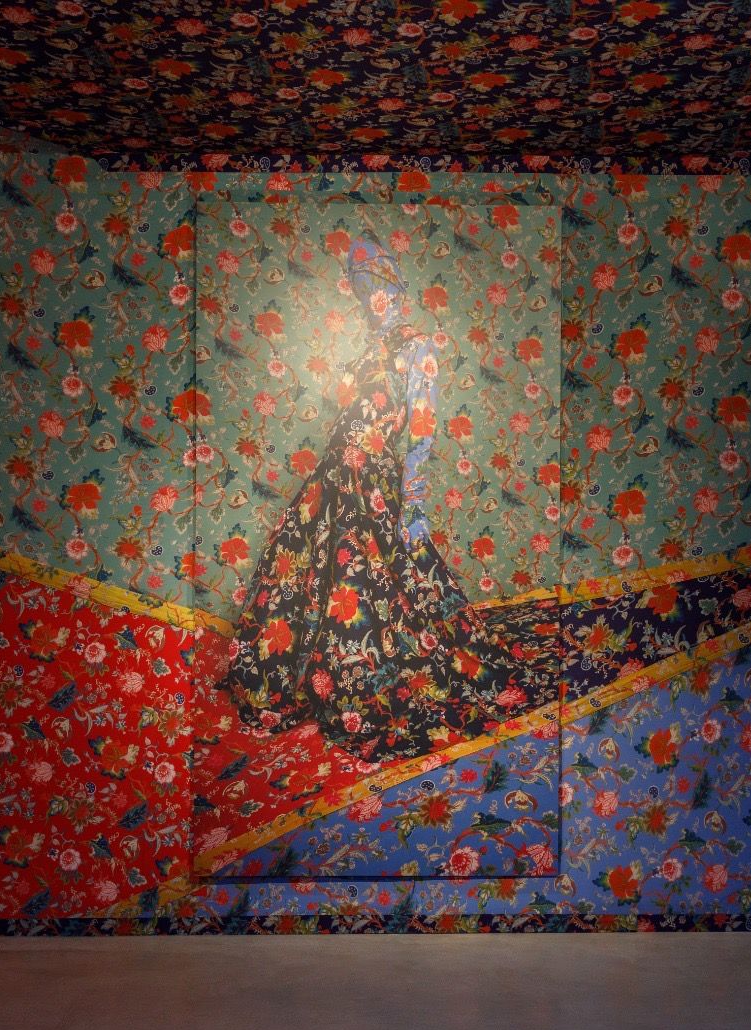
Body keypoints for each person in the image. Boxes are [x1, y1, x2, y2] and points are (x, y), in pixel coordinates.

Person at [223, 237, 556, 763]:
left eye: (376, 276)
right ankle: (310, 677)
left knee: (364, 580)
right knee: (301, 573)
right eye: (358, 280)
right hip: (332, 480)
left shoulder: (418, 345)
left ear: (396, 281)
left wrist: (414, 502)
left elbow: (421, 431)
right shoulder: (361, 352)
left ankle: (365, 682)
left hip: (373, 483)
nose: (369, 289)